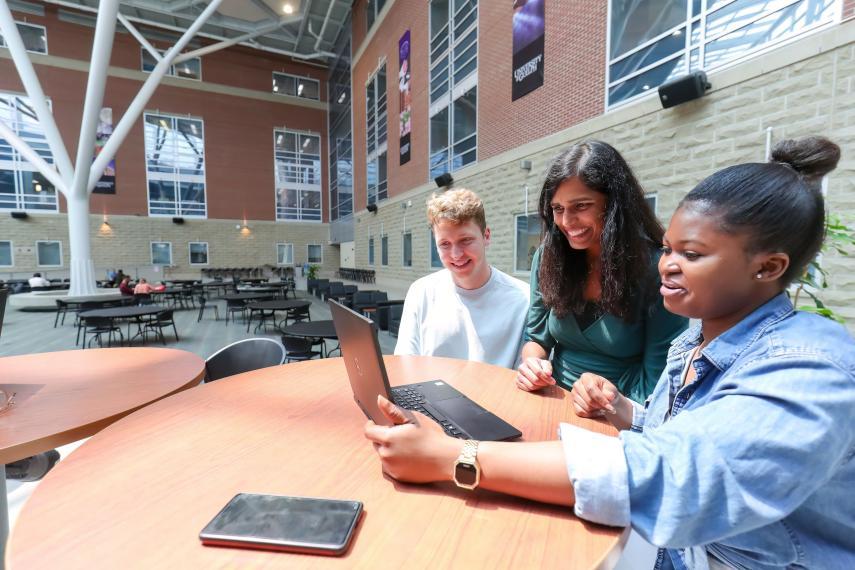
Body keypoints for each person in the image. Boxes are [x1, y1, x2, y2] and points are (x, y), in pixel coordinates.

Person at [364, 136, 855, 569]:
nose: (666, 266)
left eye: (691, 254)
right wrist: (620, 407)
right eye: (668, 249)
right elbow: (664, 431)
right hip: (662, 530)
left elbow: (671, 476)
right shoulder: (695, 341)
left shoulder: (810, 367)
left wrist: (455, 455)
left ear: (768, 267)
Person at [517, 140, 687, 403]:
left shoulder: (656, 268)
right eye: (558, 209)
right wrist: (532, 365)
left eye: (581, 206)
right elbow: (536, 338)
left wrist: (610, 406)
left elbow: (659, 378)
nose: (566, 221)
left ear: (615, 203)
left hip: (622, 408)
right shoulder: (548, 257)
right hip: (554, 399)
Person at [394, 189, 530, 368]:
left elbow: (525, 372)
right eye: (445, 244)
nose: (456, 254)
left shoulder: (523, 299)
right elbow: (405, 364)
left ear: (486, 236)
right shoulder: (421, 292)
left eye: (465, 240)